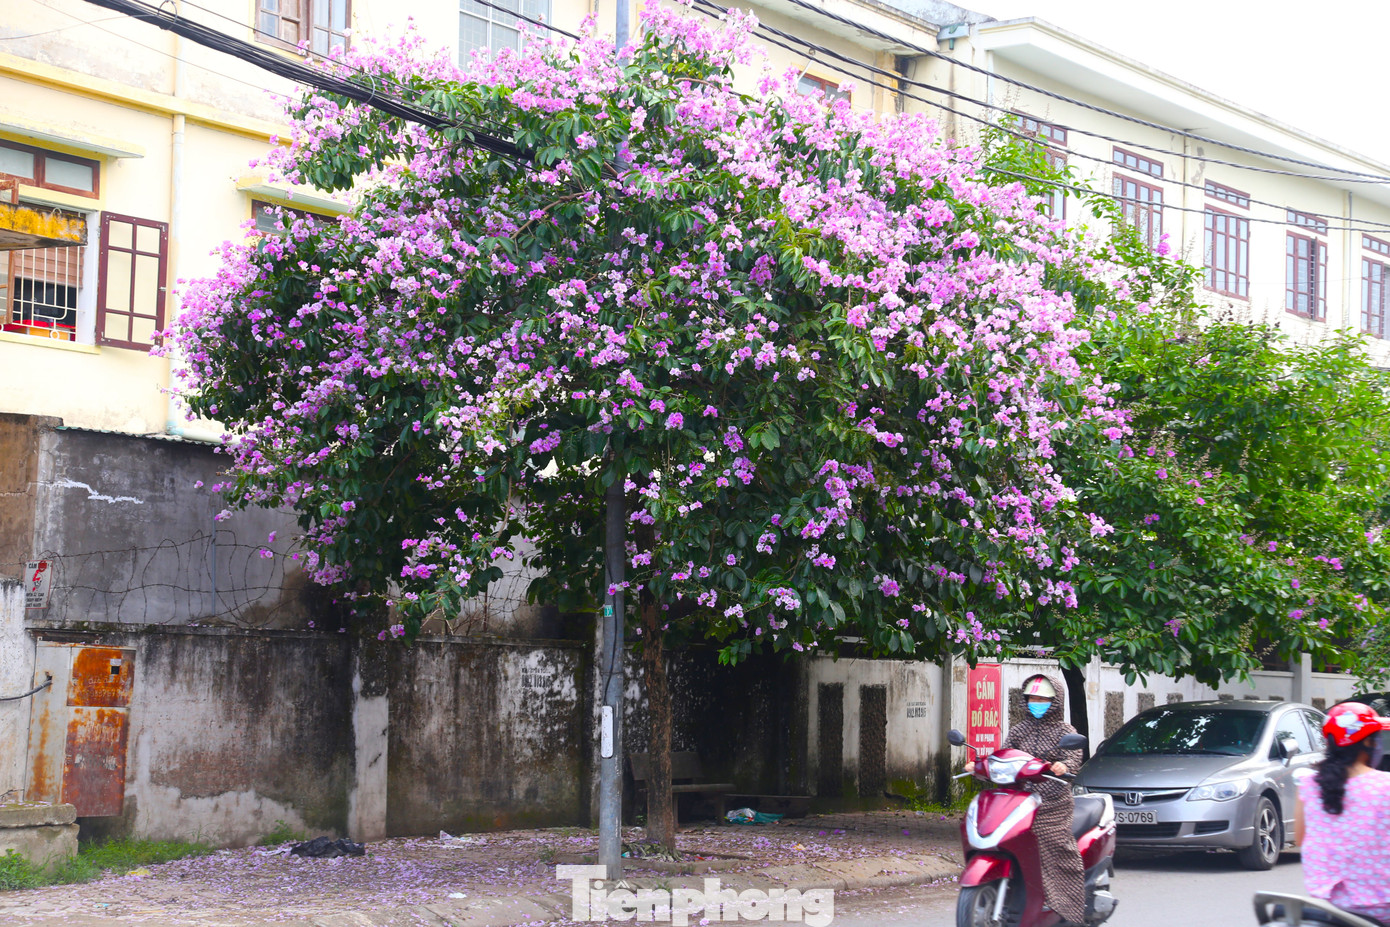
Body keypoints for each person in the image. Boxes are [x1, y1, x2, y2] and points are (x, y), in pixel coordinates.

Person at [964, 672, 1086, 924]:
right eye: (1032, 697)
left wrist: (1064, 766)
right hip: (1020, 798)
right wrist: (980, 764)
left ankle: (1066, 902)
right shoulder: (1020, 730)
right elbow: (1004, 754)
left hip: (1053, 802)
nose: (1036, 702)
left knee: (1050, 841)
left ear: (1055, 701)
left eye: (1042, 698)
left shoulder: (1066, 730)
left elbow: (1073, 757)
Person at [1294, 701, 1390, 925]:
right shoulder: (1385, 785)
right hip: (1380, 908)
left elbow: (1301, 839)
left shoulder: (1308, 784)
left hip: (1326, 904)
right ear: (1368, 741)